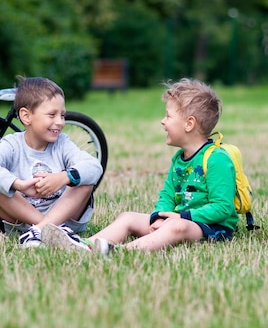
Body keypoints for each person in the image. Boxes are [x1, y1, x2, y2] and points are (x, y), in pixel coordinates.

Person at [41, 77, 238, 253]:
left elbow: (223, 208)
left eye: (168, 116)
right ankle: (85, 246)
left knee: (176, 228)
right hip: (176, 219)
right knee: (128, 217)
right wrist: (159, 217)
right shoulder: (180, 157)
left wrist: (181, 217)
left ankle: (118, 251)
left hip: (211, 227)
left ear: (189, 124)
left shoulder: (216, 159)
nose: (163, 121)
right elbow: (168, 194)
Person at [0, 76, 103, 248]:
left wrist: (64, 177)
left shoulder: (62, 144)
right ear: (26, 116)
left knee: (85, 181)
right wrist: (17, 184)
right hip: (20, 219)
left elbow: (95, 166)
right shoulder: (12, 144)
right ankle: (50, 231)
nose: (60, 122)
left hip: (65, 217)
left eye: (62, 115)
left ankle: (40, 231)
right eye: (52, 115)